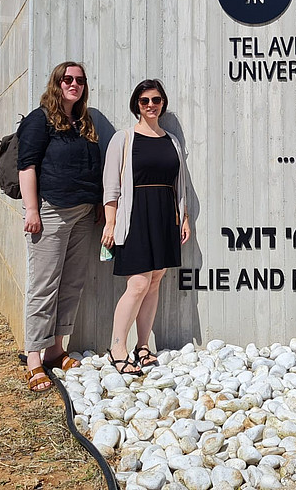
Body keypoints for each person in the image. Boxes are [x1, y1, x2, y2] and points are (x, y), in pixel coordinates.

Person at [18, 60, 103, 392]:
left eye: (80, 80)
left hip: (83, 213)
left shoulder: (84, 121)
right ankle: (34, 359)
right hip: (51, 211)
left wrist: (97, 203)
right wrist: (31, 210)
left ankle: (55, 350)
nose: (74, 84)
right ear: (56, 82)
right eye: (67, 79)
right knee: (44, 285)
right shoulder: (40, 119)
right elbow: (27, 166)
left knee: (71, 284)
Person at [101, 79, 189, 375]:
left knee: (155, 281)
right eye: (144, 101)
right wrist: (110, 222)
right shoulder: (124, 138)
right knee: (138, 283)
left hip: (164, 216)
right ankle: (117, 348)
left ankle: (142, 346)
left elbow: (179, 184)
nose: (151, 105)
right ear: (136, 105)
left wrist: (184, 217)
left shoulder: (172, 140)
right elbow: (111, 185)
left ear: (163, 103)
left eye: (156, 100)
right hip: (135, 215)